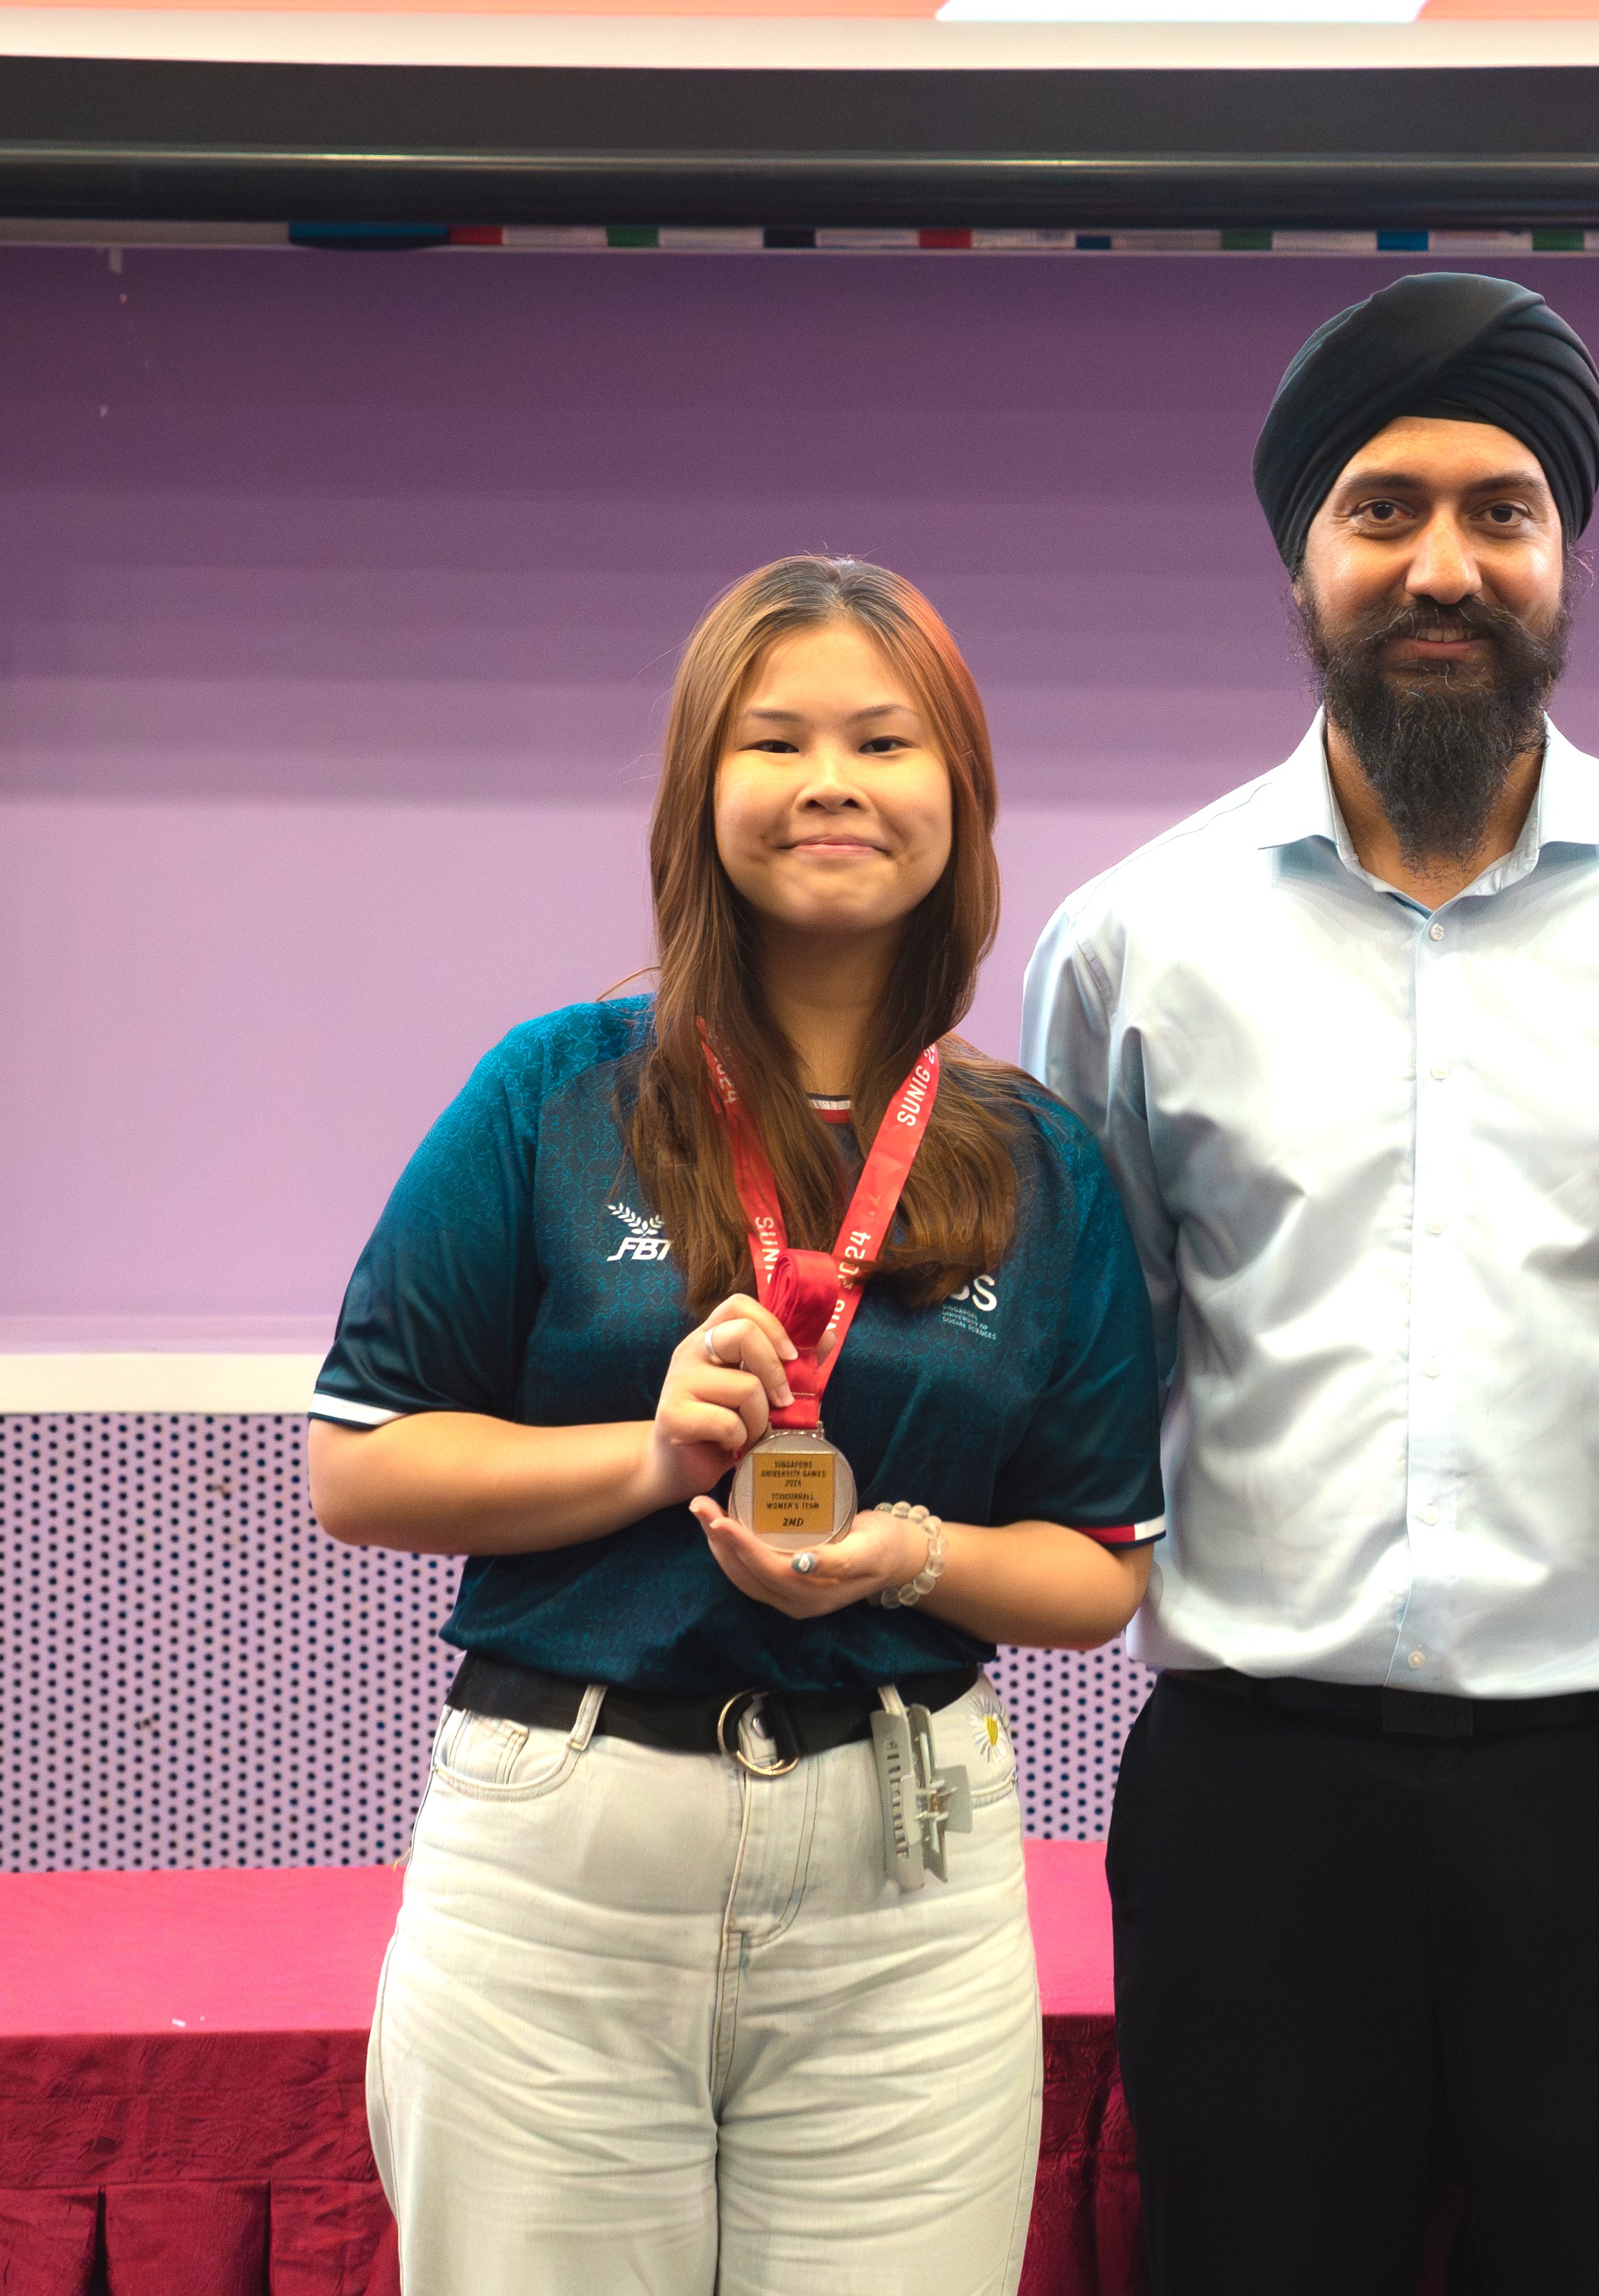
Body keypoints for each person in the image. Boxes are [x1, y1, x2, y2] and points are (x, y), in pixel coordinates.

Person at [1023, 272, 1599, 2292]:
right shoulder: (1133, 940)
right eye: (1382, 508)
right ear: (1302, 557)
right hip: (1255, 1805)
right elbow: (1091, 1348)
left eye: (1502, 509)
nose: (1443, 562)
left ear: (1566, 554)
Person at [308, 556, 1165, 2295]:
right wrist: (646, 1456)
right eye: (774, 740)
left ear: (961, 800)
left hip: (902, 1886)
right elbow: (361, 1465)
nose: (832, 779)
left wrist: (900, 1556)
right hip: (563, 1858)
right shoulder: (556, 1094)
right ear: (703, 791)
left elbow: (1097, 1577)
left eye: (885, 739)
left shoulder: (1041, 1159)